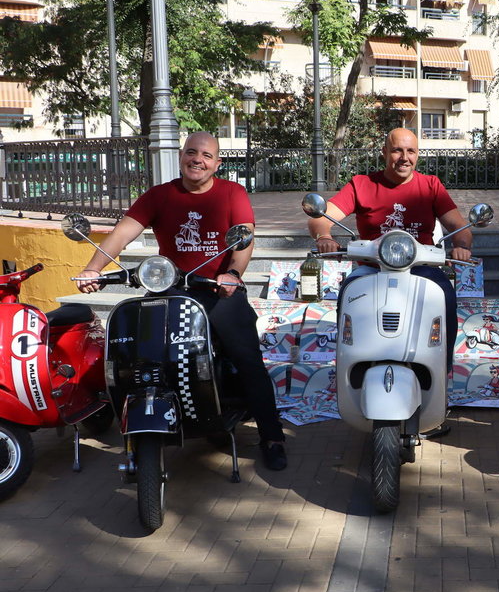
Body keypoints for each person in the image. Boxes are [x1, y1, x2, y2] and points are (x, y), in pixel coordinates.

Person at [76, 132, 288, 470]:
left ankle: (272, 436)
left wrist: (232, 273)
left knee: (247, 358)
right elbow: (123, 231)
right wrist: (93, 267)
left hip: (219, 288)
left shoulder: (232, 192)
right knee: (144, 354)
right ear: (181, 156)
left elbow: (244, 236)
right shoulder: (160, 195)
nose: (198, 160)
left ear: (217, 163)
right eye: (192, 152)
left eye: (206, 155)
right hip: (170, 288)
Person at [307, 128, 472, 369]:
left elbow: (460, 226)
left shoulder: (431, 185)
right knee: (349, 291)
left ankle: (442, 368)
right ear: (384, 152)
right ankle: (349, 365)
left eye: (411, 151)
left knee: (444, 294)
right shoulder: (361, 184)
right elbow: (320, 218)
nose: (404, 157)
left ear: (417, 155)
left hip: (421, 268)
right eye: (397, 150)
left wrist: (462, 246)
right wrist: (324, 236)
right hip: (372, 268)